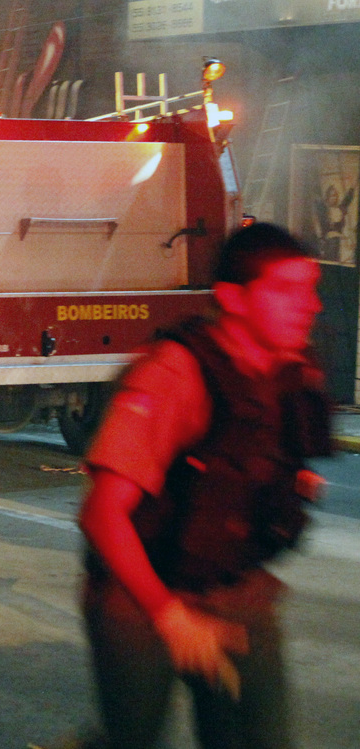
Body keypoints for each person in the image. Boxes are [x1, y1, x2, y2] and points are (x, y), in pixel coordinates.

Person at [78, 222, 331, 749]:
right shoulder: (175, 374)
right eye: (286, 291)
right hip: (141, 593)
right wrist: (170, 617)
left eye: (310, 290)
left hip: (233, 587)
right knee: (133, 739)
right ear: (233, 299)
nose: (310, 307)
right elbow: (103, 514)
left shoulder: (293, 371)